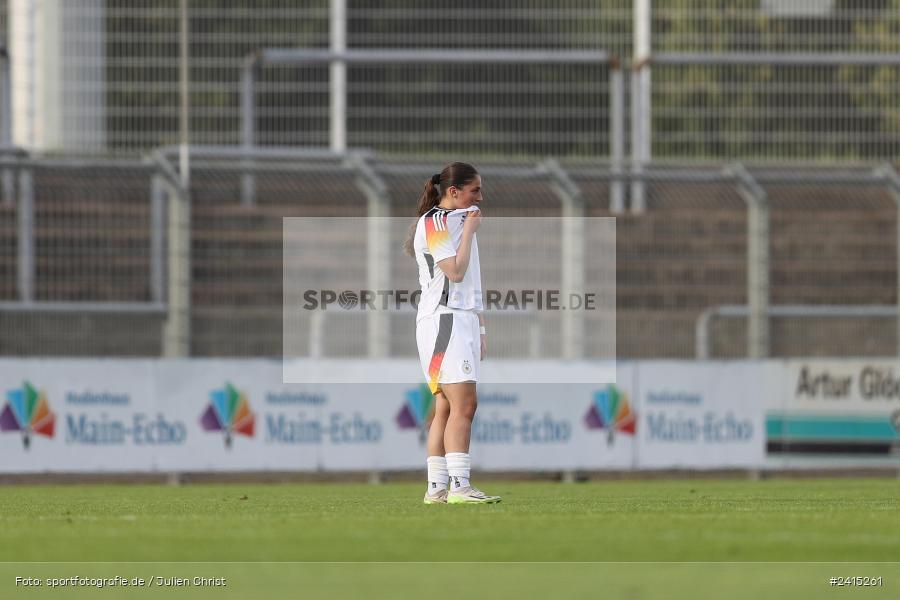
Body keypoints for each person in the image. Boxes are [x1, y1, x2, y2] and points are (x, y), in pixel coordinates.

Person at [405, 162, 500, 505]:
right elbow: (455, 272)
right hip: (444, 320)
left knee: (444, 407)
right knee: (465, 404)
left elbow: (471, 280)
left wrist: (481, 325)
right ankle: (460, 486)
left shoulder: (456, 220)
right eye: (474, 190)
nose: (480, 197)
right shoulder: (435, 223)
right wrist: (472, 231)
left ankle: (436, 489)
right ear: (453, 191)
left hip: (461, 319)